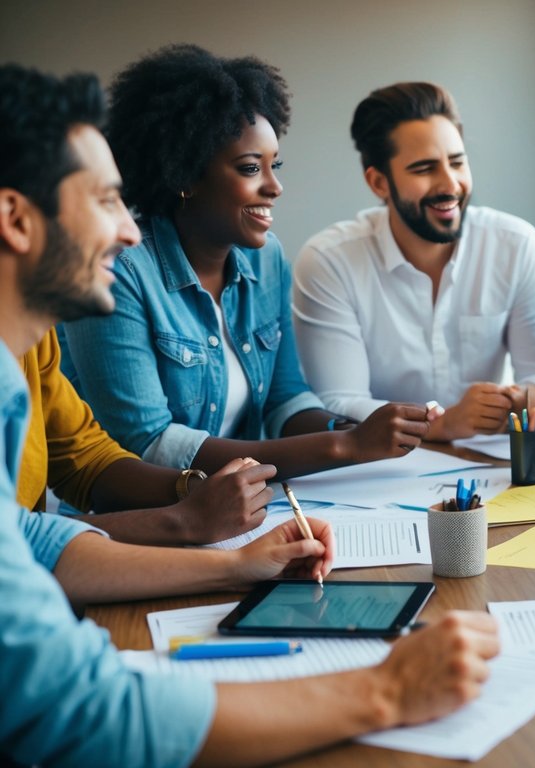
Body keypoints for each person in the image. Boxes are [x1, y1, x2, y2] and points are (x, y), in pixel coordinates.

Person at [0, 63, 498, 767]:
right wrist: (385, 691)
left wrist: (235, 564)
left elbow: (35, 535)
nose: (129, 232)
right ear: (17, 220)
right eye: (106, 201)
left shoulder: (28, 350)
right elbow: (81, 713)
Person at [60, 45, 432, 500]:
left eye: (274, 166)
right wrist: (344, 445)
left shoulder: (265, 257)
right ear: (185, 175)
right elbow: (148, 444)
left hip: (248, 510)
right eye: (251, 168)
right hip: (145, 523)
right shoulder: (120, 273)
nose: (274, 187)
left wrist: (358, 428)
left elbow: (285, 400)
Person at [292, 82, 535, 441]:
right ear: (379, 182)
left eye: (457, 162)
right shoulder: (329, 261)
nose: (449, 184)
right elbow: (337, 399)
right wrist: (441, 424)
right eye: (424, 169)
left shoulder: (517, 245)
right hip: (374, 473)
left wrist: (517, 400)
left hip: (491, 467)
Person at [22, 327, 272, 546]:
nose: (110, 269)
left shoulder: (31, 333)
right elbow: (13, 537)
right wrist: (182, 521)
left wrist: (198, 490)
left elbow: (87, 460)